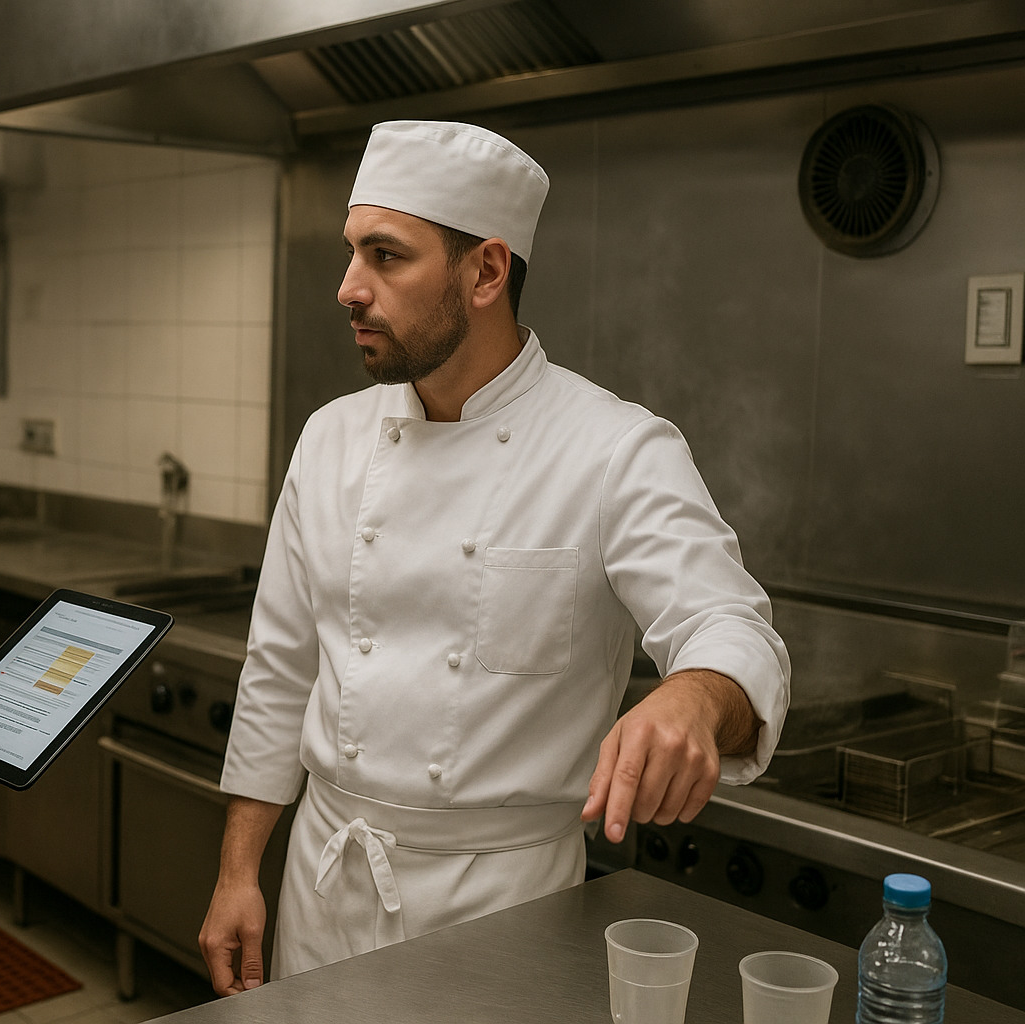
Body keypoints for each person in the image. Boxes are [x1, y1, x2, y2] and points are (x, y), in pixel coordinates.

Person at [198, 120, 791, 993]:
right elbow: (281, 670)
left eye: (386, 257)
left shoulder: (613, 448)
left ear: (486, 272)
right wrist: (237, 872)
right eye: (352, 252)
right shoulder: (329, 438)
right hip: (323, 888)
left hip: (502, 912)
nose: (348, 288)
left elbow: (730, 624)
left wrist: (696, 698)